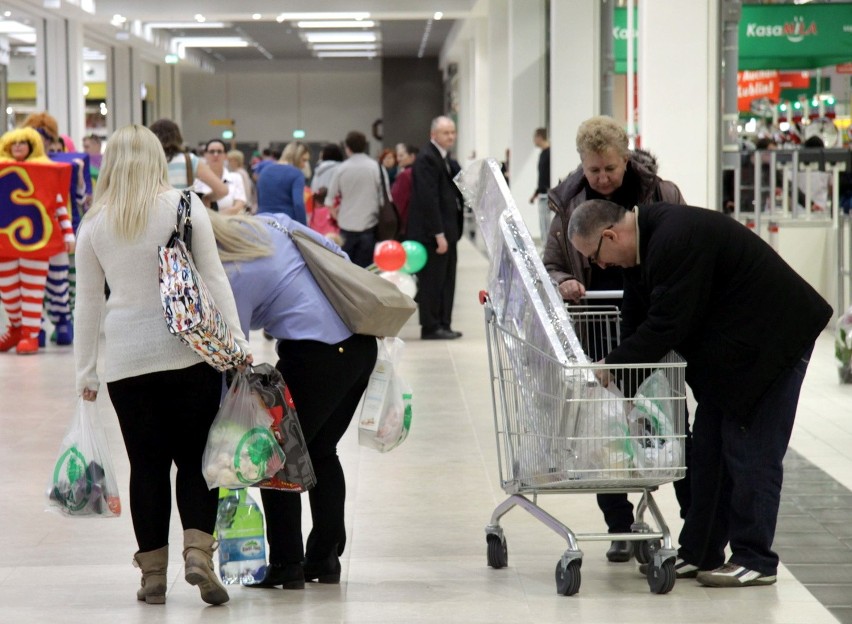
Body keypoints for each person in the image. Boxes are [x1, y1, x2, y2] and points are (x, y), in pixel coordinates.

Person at [567, 198, 832, 587]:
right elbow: (636, 316)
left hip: (774, 341)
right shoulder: (643, 248)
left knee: (750, 450)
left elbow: (667, 324)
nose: (600, 266)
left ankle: (755, 558)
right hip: (735, 352)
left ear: (610, 234)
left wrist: (612, 366)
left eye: (597, 256)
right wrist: (623, 383)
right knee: (707, 450)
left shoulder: (675, 237)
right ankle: (700, 551)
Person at [73, 124, 252, 606]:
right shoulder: (186, 206)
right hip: (190, 355)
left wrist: (85, 372)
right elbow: (214, 279)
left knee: (146, 466)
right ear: (158, 159)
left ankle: (152, 575)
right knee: (196, 460)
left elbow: (87, 304)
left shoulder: (93, 224)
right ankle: (198, 553)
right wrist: (236, 342)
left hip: (127, 365)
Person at [206, 209, 378, 590]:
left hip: (316, 356)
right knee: (321, 450)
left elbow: (234, 348)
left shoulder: (230, 272)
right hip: (361, 344)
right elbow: (339, 257)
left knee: (271, 455)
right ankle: (325, 557)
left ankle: (287, 563)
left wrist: (227, 416)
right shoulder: (271, 221)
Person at [0, 127, 74, 355]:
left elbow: (58, 204)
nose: (19, 146)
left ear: (33, 146)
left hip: (38, 242)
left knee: (33, 291)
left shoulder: (46, 172)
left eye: (24, 142)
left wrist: (68, 233)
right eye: (15, 143)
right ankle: (15, 327)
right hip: (6, 243)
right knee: (8, 291)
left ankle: (30, 335)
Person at [407, 116, 464, 340]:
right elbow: (428, 200)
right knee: (433, 281)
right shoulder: (426, 159)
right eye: (445, 133)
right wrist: (438, 234)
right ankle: (431, 326)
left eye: (452, 132)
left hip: (448, 232)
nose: (450, 136)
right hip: (433, 235)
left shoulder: (445, 159)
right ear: (433, 135)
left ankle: (444, 323)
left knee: (447, 280)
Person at [324, 131, 384, 268]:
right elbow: (384, 198)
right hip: (369, 224)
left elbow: (329, 200)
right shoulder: (375, 167)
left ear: (347, 148)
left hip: (346, 225)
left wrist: (337, 216)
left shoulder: (341, 168)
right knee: (366, 270)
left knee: (346, 268)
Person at [148, 118, 228, 199]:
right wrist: (206, 199)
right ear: (178, 137)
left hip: (153, 210)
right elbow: (222, 190)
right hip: (182, 210)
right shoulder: (189, 160)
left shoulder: (148, 162)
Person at [256, 141, 310, 224]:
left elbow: (259, 199)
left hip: (262, 221)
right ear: (296, 157)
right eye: (304, 160)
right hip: (286, 223)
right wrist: (304, 229)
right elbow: (298, 204)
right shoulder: (297, 174)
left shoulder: (264, 171)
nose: (304, 165)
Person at [193, 139, 247, 215]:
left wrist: (214, 217)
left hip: (230, 224)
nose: (215, 154)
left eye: (219, 151)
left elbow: (238, 207)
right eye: (212, 151)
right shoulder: (196, 181)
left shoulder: (236, 178)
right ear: (205, 155)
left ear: (225, 156)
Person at [391, 144, 419, 238]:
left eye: (402, 155)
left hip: (405, 224)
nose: (398, 159)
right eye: (398, 155)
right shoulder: (420, 172)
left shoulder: (406, 174)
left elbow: (398, 202)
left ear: (412, 156)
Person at [227, 149, 256, 213]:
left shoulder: (239, 173)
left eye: (230, 160)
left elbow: (245, 190)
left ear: (236, 161)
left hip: (242, 206)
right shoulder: (241, 172)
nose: (229, 162)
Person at [528, 127, 550, 204]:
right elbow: (542, 176)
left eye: (535, 137)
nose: (534, 140)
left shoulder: (550, 153)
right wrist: (536, 193)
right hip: (542, 194)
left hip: (548, 195)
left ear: (540, 137)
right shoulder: (542, 154)